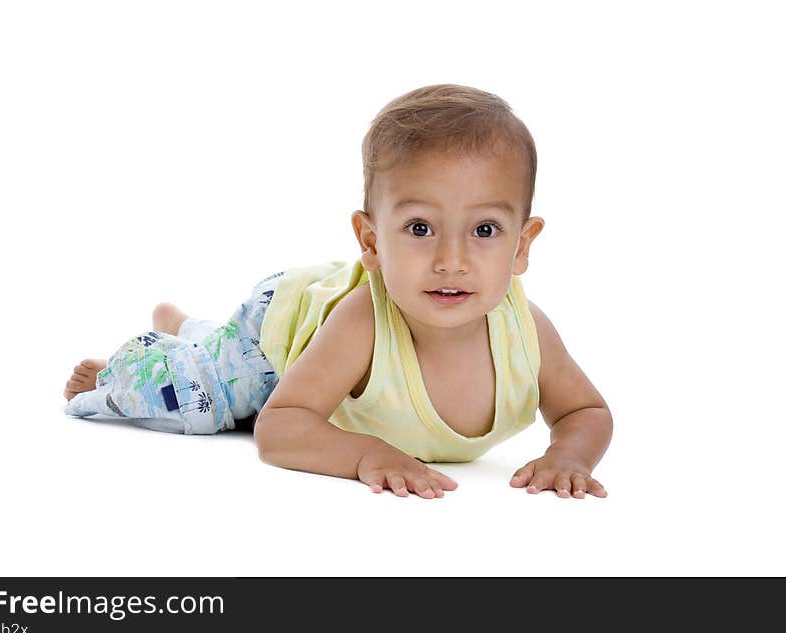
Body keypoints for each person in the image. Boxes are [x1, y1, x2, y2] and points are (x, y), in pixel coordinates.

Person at [63, 83, 613, 500]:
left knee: (226, 370)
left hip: (311, 351)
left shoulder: (526, 332)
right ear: (371, 242)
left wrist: (570, 456)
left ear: (522, 245)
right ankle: (133, 365)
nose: (452, 260)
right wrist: (363, 454)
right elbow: (279, 427)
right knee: (210, 400)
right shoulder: (365, 322)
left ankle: (187, 324)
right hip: (276, 337)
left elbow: (586, 411)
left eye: (485, 231)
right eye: (420, 228)